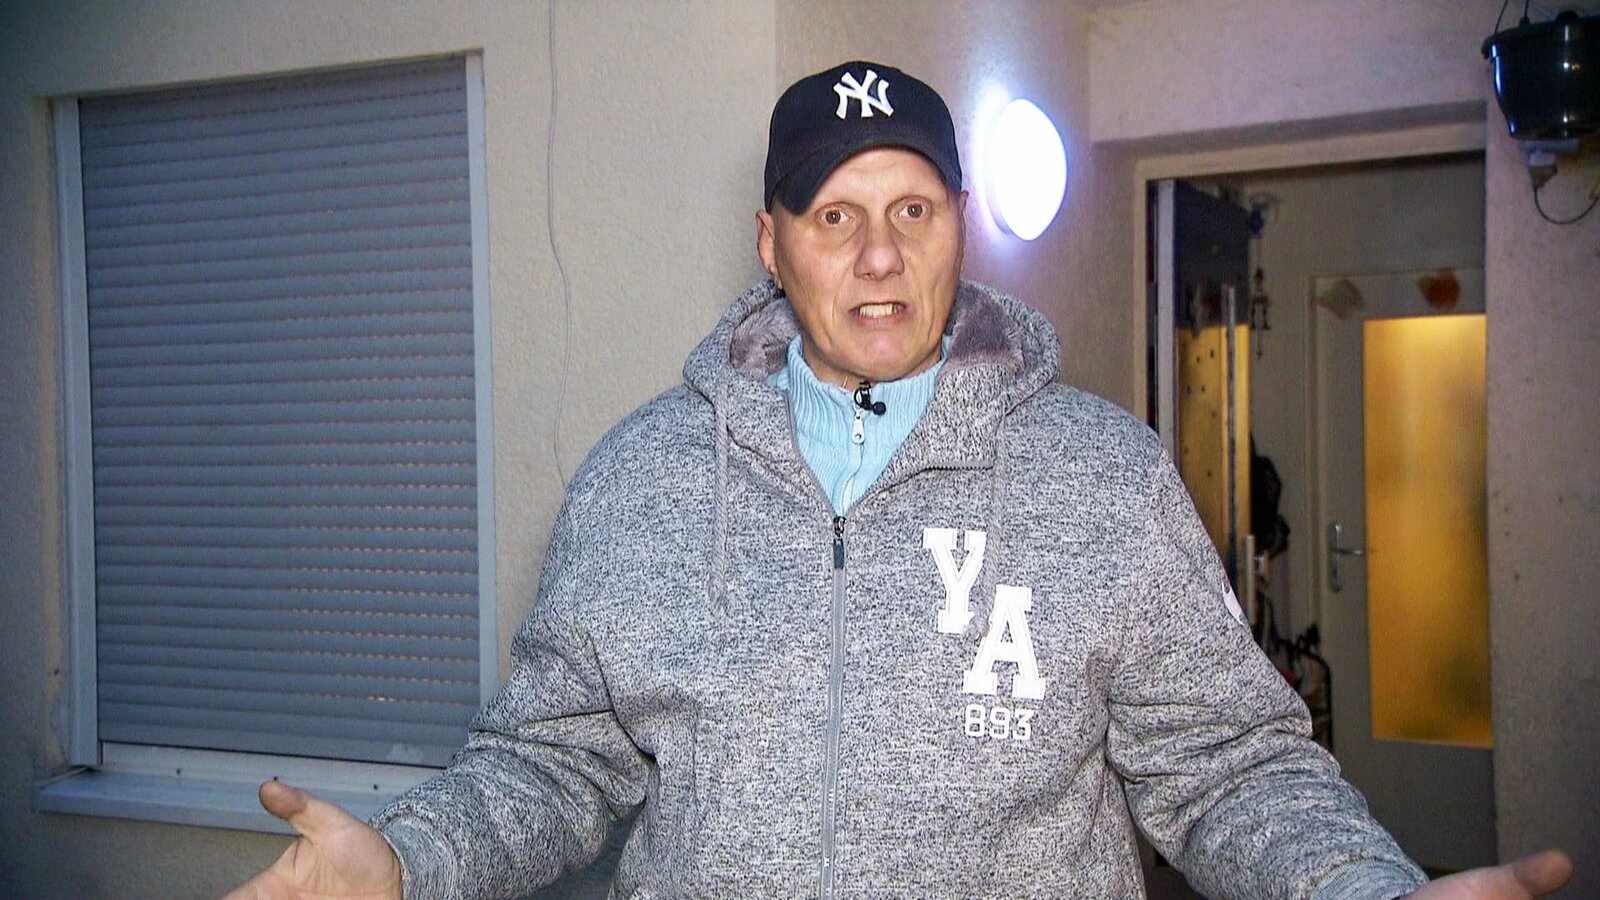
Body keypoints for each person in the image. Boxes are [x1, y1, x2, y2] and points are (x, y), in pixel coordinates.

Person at [225, 61, 1574, 900]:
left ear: (960, 229)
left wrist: (1362, 888)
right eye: (836, 216)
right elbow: (551, 760)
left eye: (911, 211)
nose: (878, 257)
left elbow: (1228, 767)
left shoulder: (1100, 474)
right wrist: (409, 860)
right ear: (773, 245)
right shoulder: (642, 477)